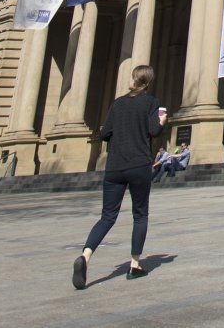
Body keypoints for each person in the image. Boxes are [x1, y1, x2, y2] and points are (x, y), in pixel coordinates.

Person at [73, 64, 165, 290]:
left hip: (115, 167)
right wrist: (161, 121)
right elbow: (154, 131)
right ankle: (134, 265)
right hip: (139, 165)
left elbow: (105, 133)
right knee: (140, 215)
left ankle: (85, 255)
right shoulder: (151, 102)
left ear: (134, 79)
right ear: (148, 82)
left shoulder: (117, 104)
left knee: (107, 216)